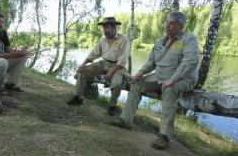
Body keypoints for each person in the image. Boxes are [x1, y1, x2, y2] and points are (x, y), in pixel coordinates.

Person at [109, 11, 200, 150]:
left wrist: (173, 80)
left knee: (169, 89)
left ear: (181, 26)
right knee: (136, 83)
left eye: (172, 23)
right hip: (160, 76)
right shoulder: (160, 41)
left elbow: (190, 62)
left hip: (183, 78)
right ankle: (125, 120)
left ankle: (164, 136)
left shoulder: (189, 39)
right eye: (167, 22)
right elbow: (151, 62)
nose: (168, 25)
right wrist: (140, 72)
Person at [67, 17, 130, 116]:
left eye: (107, 28)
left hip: (118, 67)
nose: (105, 30)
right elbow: (94, 53)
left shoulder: (124, 40)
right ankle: (78, 98)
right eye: (104, 28)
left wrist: (111, 72)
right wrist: (83, 64)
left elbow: (123, 60)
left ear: (114, 27)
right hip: (104, 64)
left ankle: (112, 106)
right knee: (82, 71)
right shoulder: (103, 40)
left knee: (117, 84)